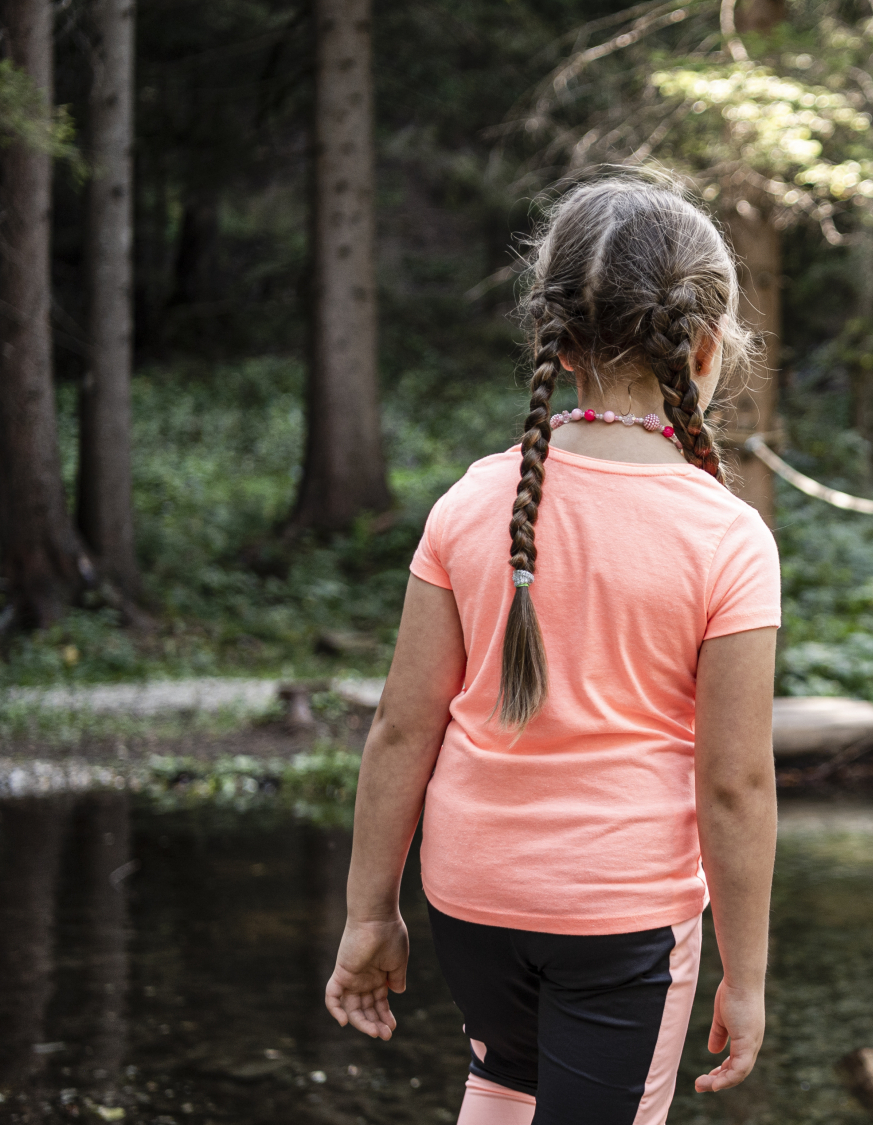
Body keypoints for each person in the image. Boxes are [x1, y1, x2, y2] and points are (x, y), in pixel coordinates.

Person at [322, 176, 782, 1124]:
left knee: (502, 1088)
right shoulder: (728, 537)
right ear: (703, 348)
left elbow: (402, 728)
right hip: (621, 914)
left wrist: (372, 914)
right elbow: (733, 782)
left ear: (556, 340)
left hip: (472, 896)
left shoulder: (472, 501)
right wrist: (746, 975)